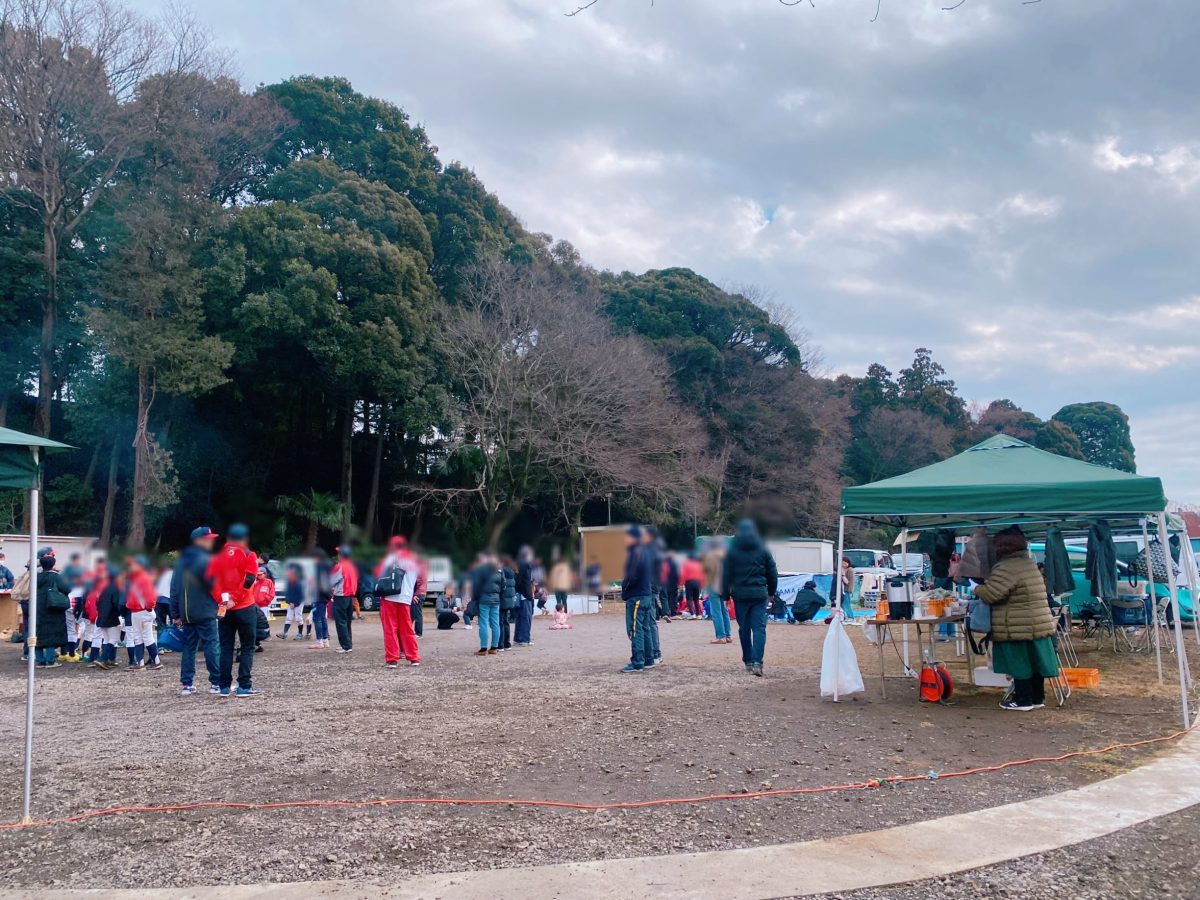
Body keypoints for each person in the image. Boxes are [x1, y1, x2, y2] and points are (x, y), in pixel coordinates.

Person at [973, 528, 1059, 712]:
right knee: (1036, 664)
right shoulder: (1028, 563)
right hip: (1037, 623)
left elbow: (992, 594)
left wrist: (976, 588)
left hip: (1017, 625)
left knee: (1020, 664)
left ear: (1002, 547)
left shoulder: (1006, 567)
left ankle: (1022, 700)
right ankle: (1037, 697)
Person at [207, 523, 263, 697]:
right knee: (247, 647)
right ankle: (243, 686)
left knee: (225, 647)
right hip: (244, 606)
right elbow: (250, 579)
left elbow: (210, 581)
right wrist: (235, 598)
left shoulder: (217, 557)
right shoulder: (249, 554)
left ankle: (223, 686)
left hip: (225, 609)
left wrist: (222, 600)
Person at [722, 519, 779, 677]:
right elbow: (772, 572)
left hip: (740, 595)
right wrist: (771, 592)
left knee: (744, 629)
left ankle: (747, 660)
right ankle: (757, 663)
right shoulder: (763, 549)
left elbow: (725, 575)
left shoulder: (732, 551)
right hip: (760, 594)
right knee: (759, 629)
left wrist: (725, 595)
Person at [172, 526, 221, 695]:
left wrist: (175, 614)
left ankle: (187, 684)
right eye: (208, 539)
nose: (211, 541)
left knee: (189, 648)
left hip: (186, 613)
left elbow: (174, 589)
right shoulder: (207, 560)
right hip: (206, 610)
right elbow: (215, 585)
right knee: (211, 645)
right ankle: (216, 683)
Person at [376, 536, 421, 668]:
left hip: (389, 597)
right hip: (405, 599)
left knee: (390, 629)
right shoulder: (413, 560)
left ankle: (392, 659)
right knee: (407, 629)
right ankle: (414, 657)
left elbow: (380, 577)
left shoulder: (390, 559)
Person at [620, 526, 655, 673]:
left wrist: (624, 589)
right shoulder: (645, 551)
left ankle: (637, 662)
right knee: (645, 627)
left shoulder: (635, 552)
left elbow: (631, 576)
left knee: (635, 629)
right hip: (646, 594)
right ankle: (649, 659)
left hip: (637, 596)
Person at [125, 556, 164, 670]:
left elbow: (150, 596)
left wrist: (148, 607)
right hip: (138, 611)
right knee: (140, 637)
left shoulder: (143, 578)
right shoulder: (138, 578)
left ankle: (155, 662)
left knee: (146, 637)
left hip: (142, 611)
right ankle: (143, 662)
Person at [34, 552, 71, 668]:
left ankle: (40, 660)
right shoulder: (55, 577)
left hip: (38, 608)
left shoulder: (37, 577)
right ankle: (50, 660)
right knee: (51, 634)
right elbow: (67, 588)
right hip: (53, 607)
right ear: (53, 565)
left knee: (38, 633)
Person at [469, 553, 503, 656]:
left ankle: (483, 649)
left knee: (483, 623)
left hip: (484, 600)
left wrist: (474, 598)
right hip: (496, 600)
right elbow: (504, 586)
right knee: (495, 624)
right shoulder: (499, 573)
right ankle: (494, 647)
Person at [330, 545, 358, 653]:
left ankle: (345, 646)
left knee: (340, 622)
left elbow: (331, 581)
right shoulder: (352, 566)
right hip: (350, 597)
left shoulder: (340, 566)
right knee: (347, 622)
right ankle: (348, 644)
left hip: (341, 596)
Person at [94, 565, 124, 669]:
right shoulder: (116, 588)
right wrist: (121, 613)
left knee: (107, 639)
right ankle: (103, 659)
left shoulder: (105, 587)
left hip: (102, 616)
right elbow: (117, 603)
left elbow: (98, 603)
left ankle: (107, 660)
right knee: (114, 639)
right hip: (111, 617)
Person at [703, 539, 731, 644]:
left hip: (714, 586)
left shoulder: (710, 557)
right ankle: (728, 635)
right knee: (725, 611)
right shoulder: (726, 556)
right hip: (725, 587)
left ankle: (720, 636)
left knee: (716, 612)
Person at [310, 549, 332, 649]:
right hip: (324, 597)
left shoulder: (318, 568)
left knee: (317, 619)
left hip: (317, 597)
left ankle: (319, 641)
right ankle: (325, 640)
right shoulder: (326, 567)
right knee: (323, 619)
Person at [513, 546, 535, 646]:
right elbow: (519, 580)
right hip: (525, 594)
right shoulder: (524, 564)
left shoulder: (520, 563)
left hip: (522, 594)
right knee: (526, 617)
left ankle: (518, 638)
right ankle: (525, 639)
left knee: (520, 617)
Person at [279, 565, 307, 641]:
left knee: (298, 617)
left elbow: (301, 595)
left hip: (299, 602)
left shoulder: (299, 583)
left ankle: (300, 634)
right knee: (288, 617)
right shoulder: (288, 583)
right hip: (291, 603)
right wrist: (289, 602)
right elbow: (287, 594)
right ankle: (284, 633)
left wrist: (295, 603)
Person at [497, 555, 517, 651]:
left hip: (501, 600)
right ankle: (507, 644)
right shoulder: (512, 572)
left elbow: (500, 585)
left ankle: (500, 645)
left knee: (500, 622)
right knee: (506, 622)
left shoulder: (501, 571)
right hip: (509, 601)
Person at [680, 554, 704, 619]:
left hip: (689, 582)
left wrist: (681, 584)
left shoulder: (686, 564)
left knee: (689, 599)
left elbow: (683, 574)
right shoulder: (699, 564)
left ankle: (692, 614)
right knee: (696, 599)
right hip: (698, 582)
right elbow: (702, 574)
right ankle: (698, 615)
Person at [154, 562, 174, 633]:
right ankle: (171, 640)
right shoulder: (174, 574)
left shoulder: (159, 573)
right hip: (169, 600)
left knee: (160, 625)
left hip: (158, 600)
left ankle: (161, 641)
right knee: (174, 623)